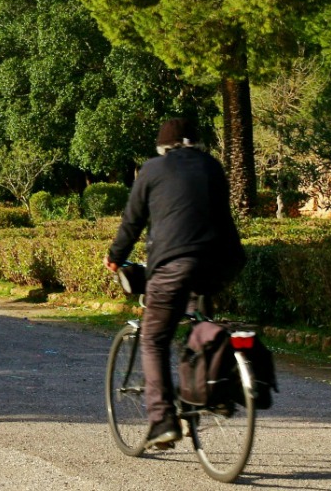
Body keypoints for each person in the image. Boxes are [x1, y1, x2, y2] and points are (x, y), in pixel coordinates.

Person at [104, 117, 245, 449]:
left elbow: (132, 220)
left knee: (154, 338)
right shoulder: (212, 166)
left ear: (162, 147)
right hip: (221, 263)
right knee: (201, 322)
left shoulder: (152, 170)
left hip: (173, 265)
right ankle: (215, 388)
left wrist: (115, 256)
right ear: (194, 143)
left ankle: (162, 420)